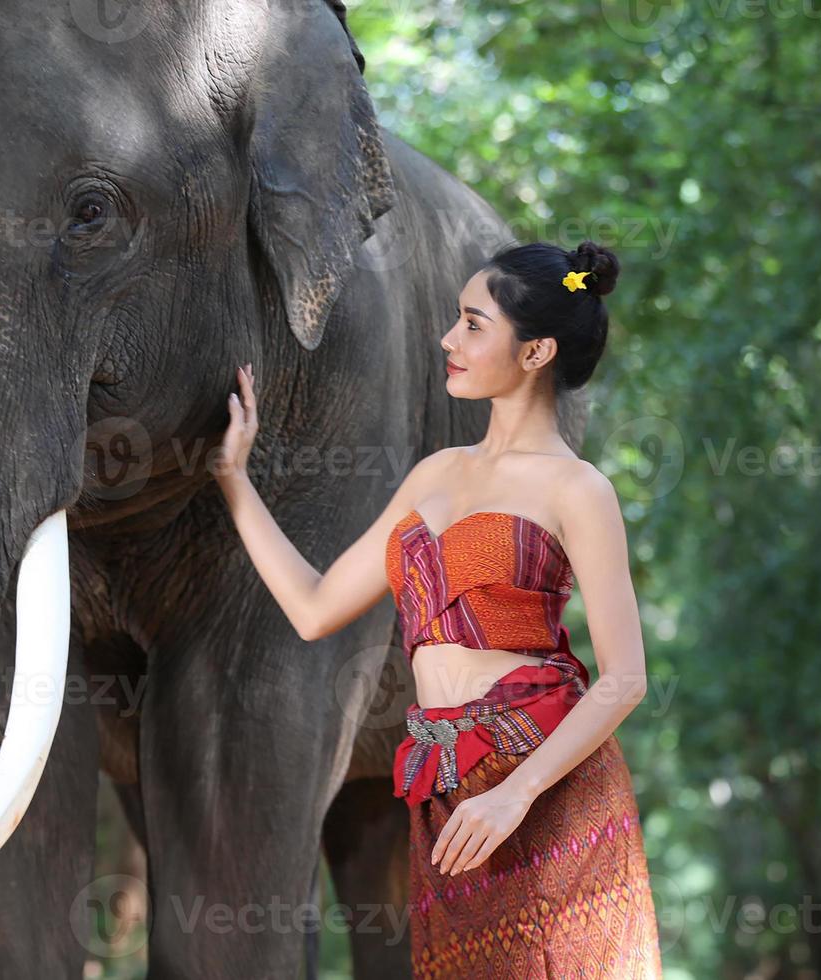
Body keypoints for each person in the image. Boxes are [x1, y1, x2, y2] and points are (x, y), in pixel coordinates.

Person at [213, 240, 663, 977]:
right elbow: (314, 607)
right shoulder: (436, 474)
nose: (449, 339)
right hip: (444, 789)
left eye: (474, 324)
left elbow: (625, 679)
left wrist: (515, 795)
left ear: (536, 350)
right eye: (456, 320)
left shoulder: (577, 490)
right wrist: (233, 479)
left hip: (542, 789)